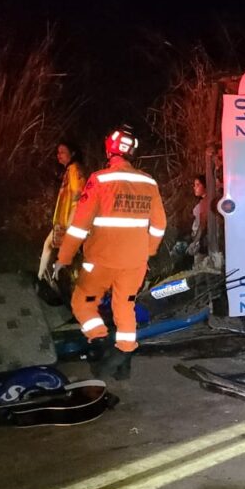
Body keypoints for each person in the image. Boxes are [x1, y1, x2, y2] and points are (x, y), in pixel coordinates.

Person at [52, 124, 167, 380]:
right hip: (134, 263)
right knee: (125, 307)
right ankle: (123, 356)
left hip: (101, 261)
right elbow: (160, 225)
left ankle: (102, 344)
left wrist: (64, 258)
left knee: (83, 302)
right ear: (132, 152)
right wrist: (146, 251)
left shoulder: (99, 180)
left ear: (109, 150)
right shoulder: (149, 182)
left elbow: (79, 226)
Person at [38, 142, 88, 284]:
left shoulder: (74, 169)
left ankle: (42, 279)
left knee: (49, 246)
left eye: (62, 152)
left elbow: (78, 195)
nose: (58, 155)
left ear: (72, 153)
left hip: (69, 221)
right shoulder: (71, 170)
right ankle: (53, 279)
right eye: (58, 152)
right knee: (60, 251)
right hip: (67, 221)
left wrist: (71, 221)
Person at [187, 174, 208, 265]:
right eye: (194, 185)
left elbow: (203, 225)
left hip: (201, 242)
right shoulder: (202, 201)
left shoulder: (206, 202)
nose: (195, 188)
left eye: (198, 185)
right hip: (198, 239)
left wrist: (195, 242)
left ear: (205, 186)